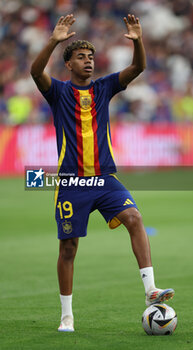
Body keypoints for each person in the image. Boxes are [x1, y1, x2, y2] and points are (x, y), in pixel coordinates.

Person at [30, 13, 174, 332]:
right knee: (68, 248)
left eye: (92, 56)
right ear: (68, 64)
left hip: (105, 179)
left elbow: (138, 68)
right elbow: (35, 71)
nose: (88, 61)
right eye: (81, 56)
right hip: (71, 184)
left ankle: (151, 289)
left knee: (134, 218)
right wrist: (54, 39)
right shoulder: (57, 92)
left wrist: (138, 41)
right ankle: (67, 314)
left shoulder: (105, 88)